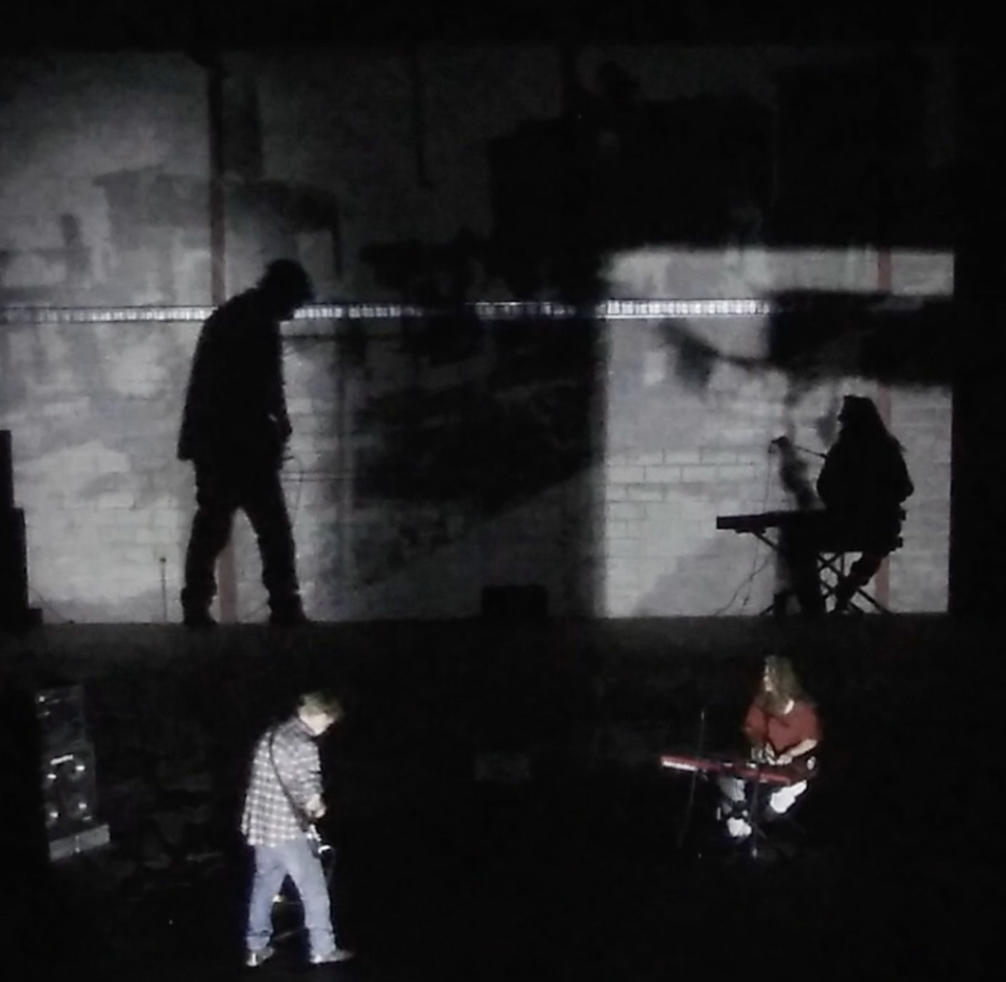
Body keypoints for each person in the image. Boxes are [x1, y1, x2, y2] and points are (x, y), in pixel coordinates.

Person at [177, 259, 313, 627]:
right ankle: (284, 604)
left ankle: (196, 605)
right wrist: (278, 424)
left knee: (213, 525)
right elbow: (264, 387)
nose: (293, 312)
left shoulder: (232, 317)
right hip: (241, 444)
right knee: (272, 529)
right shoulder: (258, 325)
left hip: (216, 443)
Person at [241, 691, 353, 968]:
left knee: (264, 886)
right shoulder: (304, 745)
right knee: (313, 889)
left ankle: (256, 948)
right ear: (320, 715)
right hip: (288, 830)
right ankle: (323, 949)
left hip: (261, 827)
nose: (326, 729)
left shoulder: (270, 736)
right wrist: (320, 809)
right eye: (328, 723)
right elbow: (310, 795)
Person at [783, 395, 914, 615]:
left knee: (796, 540)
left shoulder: (843, 449)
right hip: (882, 531)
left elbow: (824, 489)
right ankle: (849, 587)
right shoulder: (888, 448)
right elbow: (906, 488)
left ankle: (813, 610)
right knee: (876, 549)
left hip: (845, 528)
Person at [717, 656, 821, 845]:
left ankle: (765, 816)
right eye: (765, 674)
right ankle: (738, 827)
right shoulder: (761, 703)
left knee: (797, 786)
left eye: (769, 675)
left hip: (791, 766)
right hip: (762, 762)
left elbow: (810, 740)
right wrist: (761, 746)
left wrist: (789, 754)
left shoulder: (802, 709)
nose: (764, 679)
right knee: (727, 776)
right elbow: (751, 729)